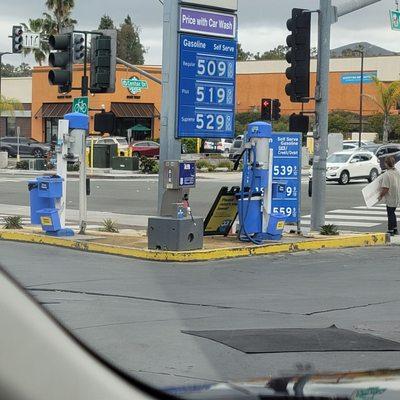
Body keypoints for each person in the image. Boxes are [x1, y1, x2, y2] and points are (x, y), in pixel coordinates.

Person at [378, 156, 400, 236]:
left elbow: (386, 188)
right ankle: (395, 229)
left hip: (390, 196)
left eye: (385, 162)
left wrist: (380, 195)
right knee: (392, 212)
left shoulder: (387, 174)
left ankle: (390, 230)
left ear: (387, 164)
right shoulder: (397, 172)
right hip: (396, 195)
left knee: (390, 213)